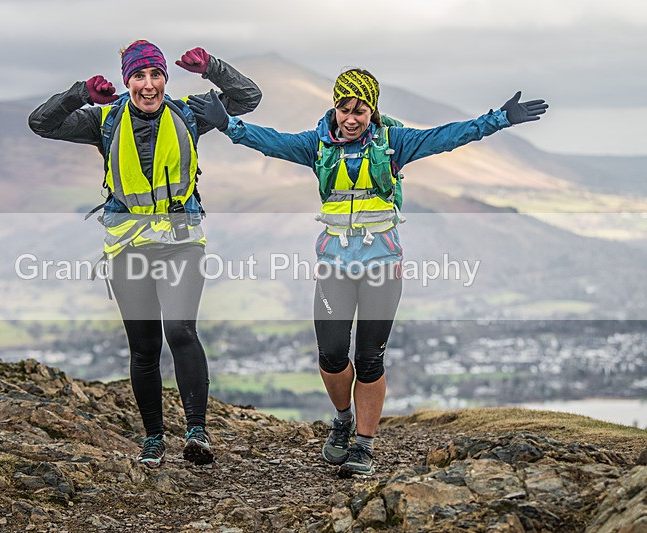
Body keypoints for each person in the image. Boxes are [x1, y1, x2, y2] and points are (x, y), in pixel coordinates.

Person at [187, 68, 547, 477]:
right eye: (345, 109)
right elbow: (271, 142)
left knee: (369, 358)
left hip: (382, 266)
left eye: (360, 111)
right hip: (334, 266)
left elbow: (447, 136)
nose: (351, 118)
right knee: (331, 355)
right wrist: (228, 125)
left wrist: (500, 118)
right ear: (335, 108)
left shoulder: (395, 143)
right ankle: (343, 419)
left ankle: (364, 445)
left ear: (372, 111)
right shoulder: (316, 144)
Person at [29, 41, 261, 468]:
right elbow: (41, 123)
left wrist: (211, 67)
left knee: (181, 331)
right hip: (127, 247)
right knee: (144, 347)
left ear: (165, 79)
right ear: (127, 81)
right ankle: (153, 439)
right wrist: (80, 93)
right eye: (139, 76)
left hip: (181, 243)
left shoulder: (189, 113)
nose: (148, 85)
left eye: (156, 75)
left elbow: (248, 97)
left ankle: (197, 432)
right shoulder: (104, 120)